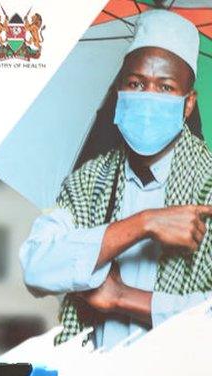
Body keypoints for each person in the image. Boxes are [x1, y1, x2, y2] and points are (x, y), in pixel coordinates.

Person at [20, 10, 212, 349]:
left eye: (165, 87)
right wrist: (145, 223)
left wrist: (124, 297)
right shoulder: (88, 182)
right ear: (120, 91)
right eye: (136, 84)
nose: (147, 96)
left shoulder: (207, 185)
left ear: (188, 104)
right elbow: (36, 266)